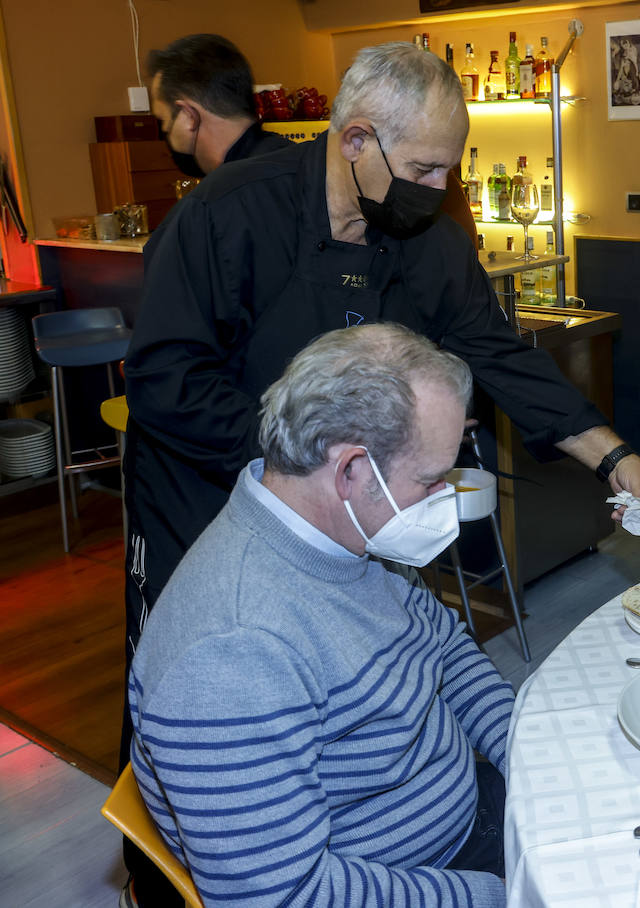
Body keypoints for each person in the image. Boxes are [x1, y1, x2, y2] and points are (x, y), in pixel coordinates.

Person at [119, 41, 640, 904]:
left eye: (450, 168)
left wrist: (611, 452)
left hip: (333, 503)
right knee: (231, 730)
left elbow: (493, 351)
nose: (437, 186)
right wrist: (296, 466)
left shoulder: (421, 238)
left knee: (370, 668)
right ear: (353, 139)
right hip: (212, 494)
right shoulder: (230, 216)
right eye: (421, 167)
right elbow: (162, 382)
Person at [128, 323, 513, 906]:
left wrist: (524, 750)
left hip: (464, 814)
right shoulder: (230, 654)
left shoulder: (332, 535)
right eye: (431, 480)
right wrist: (497, 895)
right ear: (351, 470)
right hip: (428, 878)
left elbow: (445, 648)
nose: (443, 500)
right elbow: (285, 896)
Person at [146, 34, 292, 177]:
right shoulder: (302, 162)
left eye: (164, 122)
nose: (166, 133)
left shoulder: (218, 196)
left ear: (189, 116)